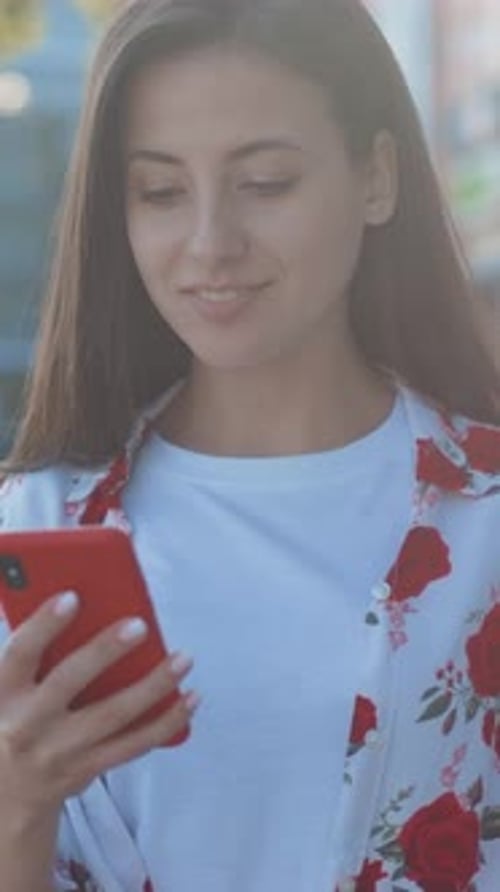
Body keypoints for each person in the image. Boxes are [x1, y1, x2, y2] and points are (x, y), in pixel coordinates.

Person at [0, 0, 499, 889]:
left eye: (265, 183)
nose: (210, 244)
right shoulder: (37, 527)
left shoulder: (486, 517)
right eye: (160, 192)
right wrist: (16, 810)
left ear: (377, 177)